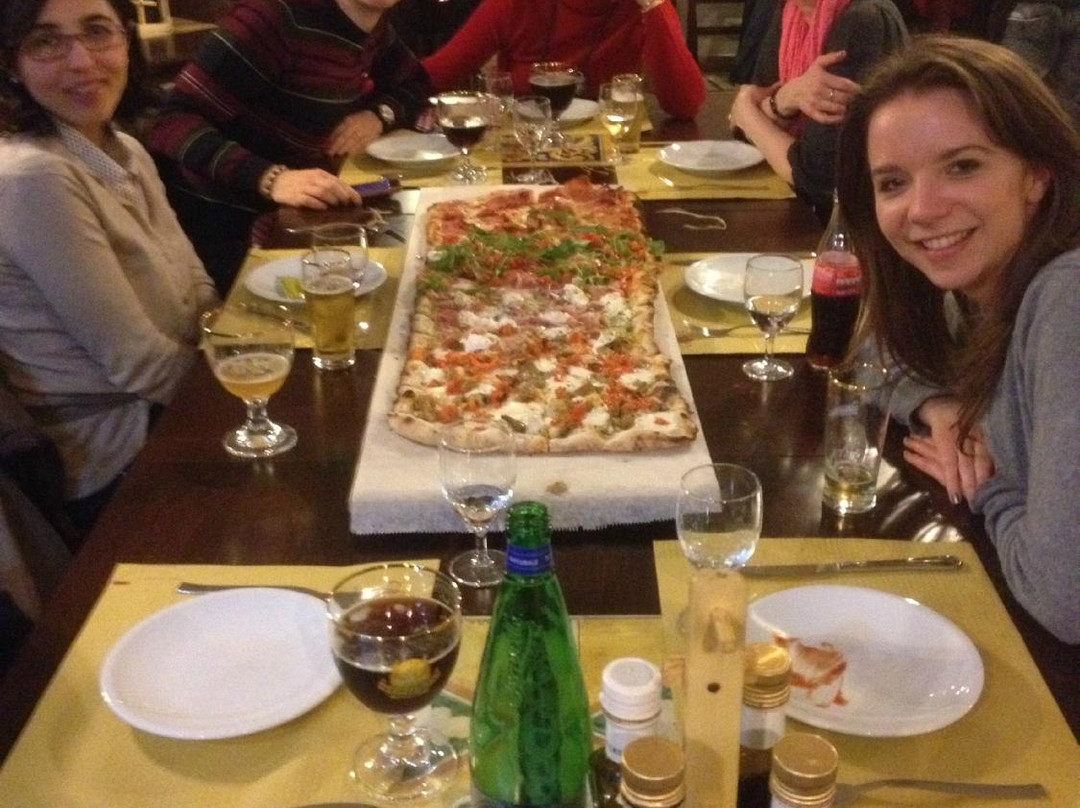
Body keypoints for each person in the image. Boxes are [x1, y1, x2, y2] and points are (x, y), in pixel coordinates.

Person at [835, 36, 1080, 643]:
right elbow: (873, 346)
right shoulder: (978, 284)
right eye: (893, 182)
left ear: (1037, 173)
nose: (921, 209)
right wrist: (941, 408)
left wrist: (987, 485)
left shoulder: (1066, 297)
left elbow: (1065, 596)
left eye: (962, 166)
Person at [0, 0, 219, 537]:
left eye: (98, 32)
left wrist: (236, 351)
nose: (81, 61)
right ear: (12, 64)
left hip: (176, 401)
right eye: (45, 42)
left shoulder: (125, 149)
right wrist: (246, 397)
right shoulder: (33, 178)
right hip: (121, 456)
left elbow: (198, 287)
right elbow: (137, 363)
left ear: (127, 40)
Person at [147, 0, 432, 293]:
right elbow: (170, 121)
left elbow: (416, 82)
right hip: (220, 228)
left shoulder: (375, 29)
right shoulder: (274, 18)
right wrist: (269, 177)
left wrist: (378, 116)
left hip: (298, 215)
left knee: (417, 269)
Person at [728, 0, 907, 219]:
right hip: (807, 214)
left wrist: (748, 115)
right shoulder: (791, 12)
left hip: (855, 225)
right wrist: (787, 97)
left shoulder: (863, 21)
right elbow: (745, 133)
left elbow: (818, 178)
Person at [420, 0, 705, 120]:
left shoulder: (643, 9)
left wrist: (655, 6)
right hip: (523, 153)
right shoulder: (515, 4)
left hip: (611, 161)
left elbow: (685, 105)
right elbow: (431, 78)